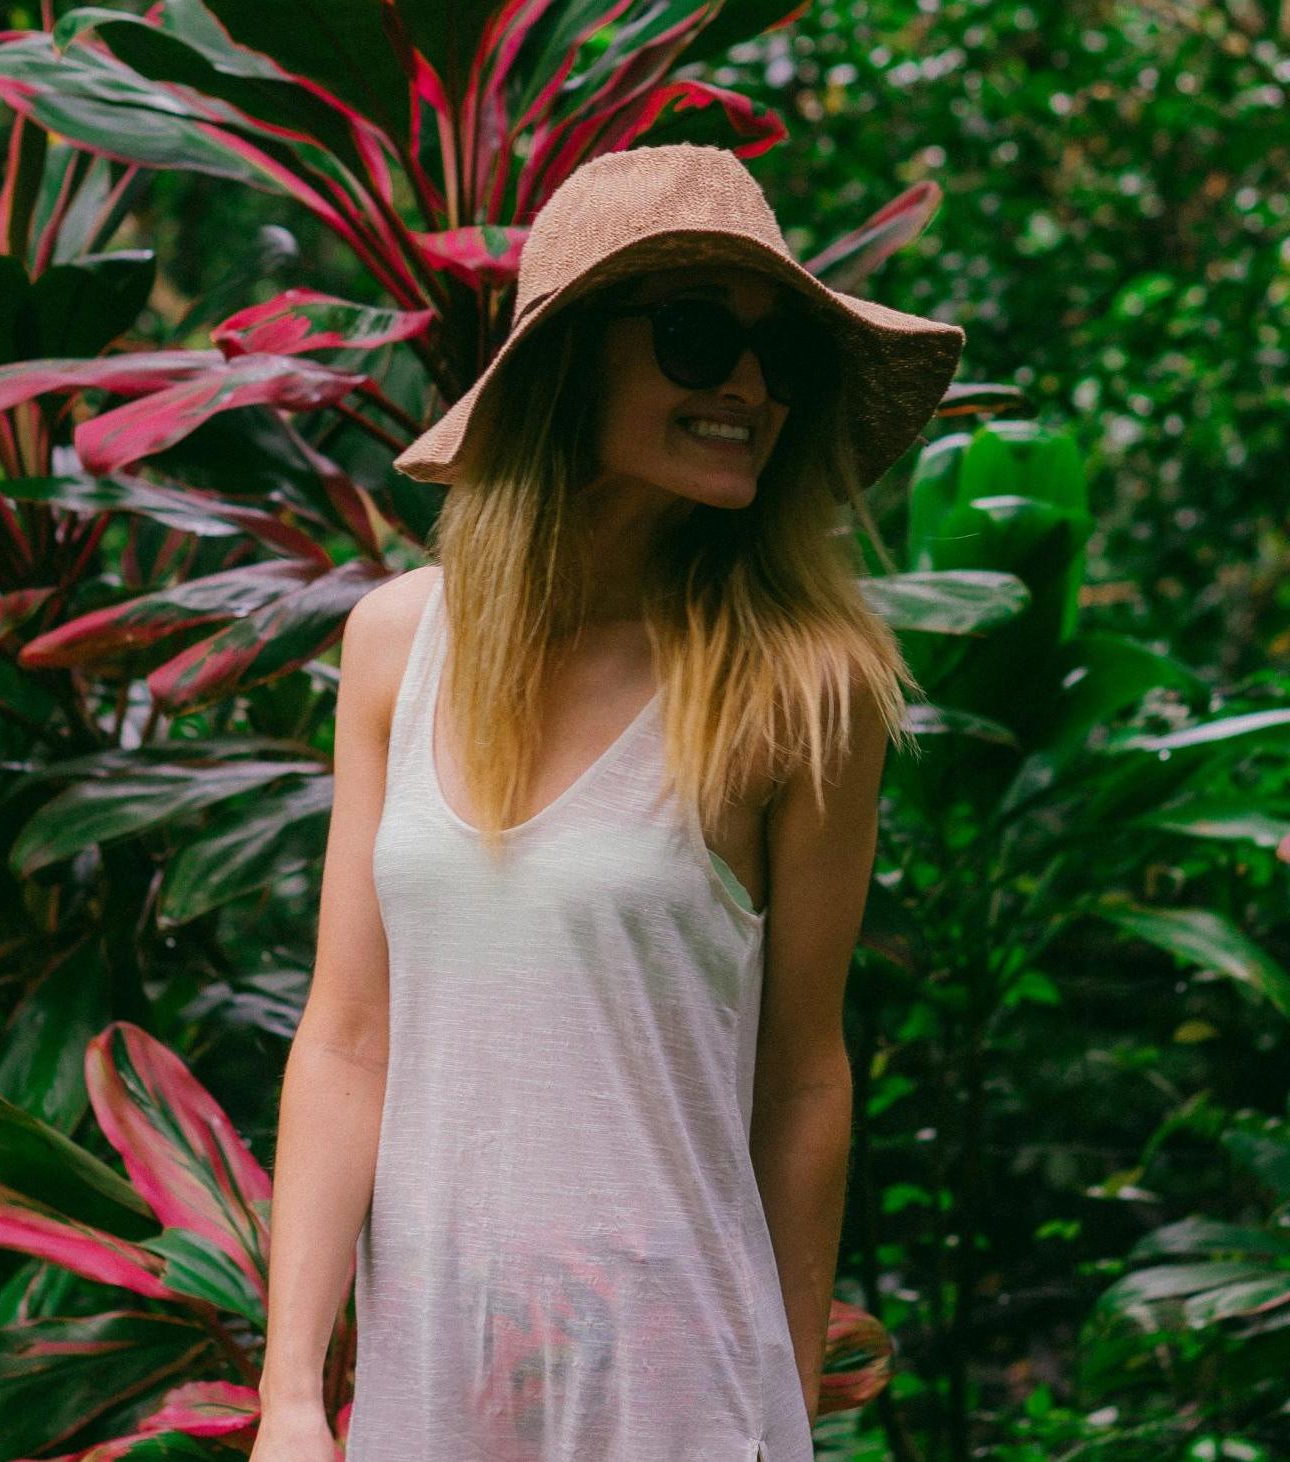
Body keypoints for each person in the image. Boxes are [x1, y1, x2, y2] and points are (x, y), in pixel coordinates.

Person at [251, 143, 966, 1461]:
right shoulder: (395, 648)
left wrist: (778, 1394)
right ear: (573, 357)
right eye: (699, 338)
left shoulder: (802, 685)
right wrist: (291, 1395)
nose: (750, 385)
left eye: (780, 359)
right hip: (431, 1395)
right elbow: (348, 1036)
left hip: (678, 1398)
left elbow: (804, 1074)